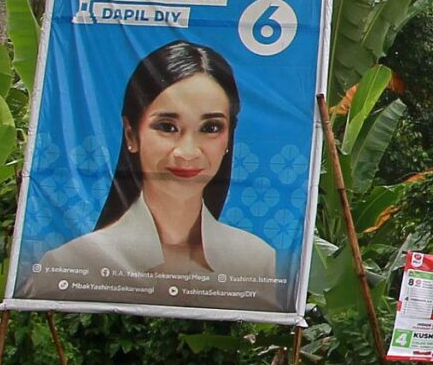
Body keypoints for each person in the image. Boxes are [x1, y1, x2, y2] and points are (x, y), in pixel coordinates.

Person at [17, 41, 283, 310]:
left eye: (211, 127)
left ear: (228, 139)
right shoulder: (68, 264)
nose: (187, 152)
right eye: (167, 127)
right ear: (131, 134)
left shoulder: (257, 261)